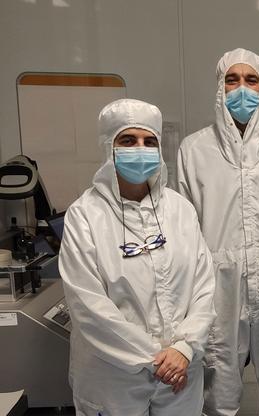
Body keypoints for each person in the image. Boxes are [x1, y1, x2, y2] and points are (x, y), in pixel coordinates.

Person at [59, 98, 215, 415]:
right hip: (114, 378)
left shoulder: (180, 210)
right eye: (128, 140)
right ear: (108, 148)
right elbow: (88, 306)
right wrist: (157, 360)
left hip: (180, 374)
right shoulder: (85, 215)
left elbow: (204, 288)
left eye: (149, 141)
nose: (140, 148)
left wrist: (184, 349)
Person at [177, 48, 259, 416]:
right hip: (216, 284)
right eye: (231, 80)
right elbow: (186, 226)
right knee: (218, 384)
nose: (241, 89)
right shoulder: (193, 149)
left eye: (250, 79)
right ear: (219, 88)